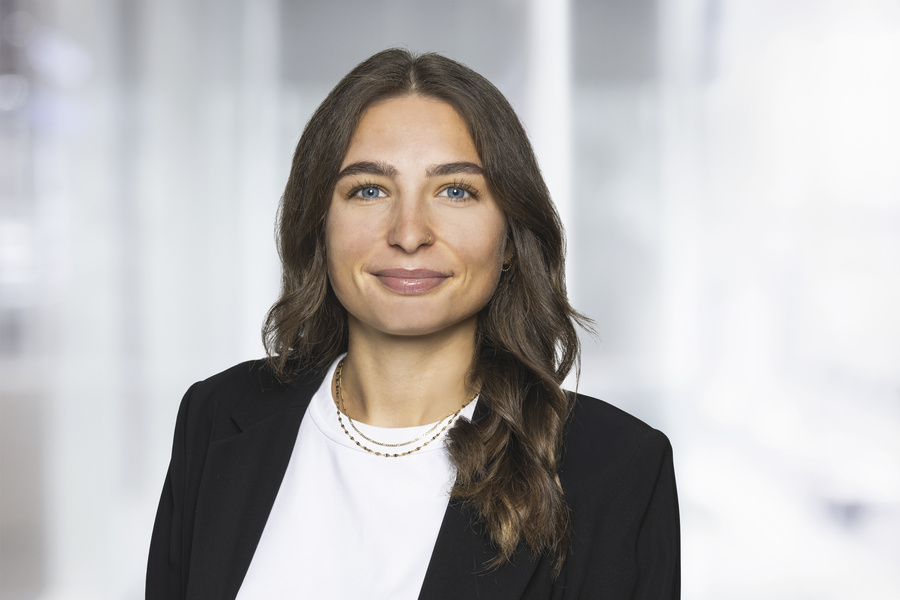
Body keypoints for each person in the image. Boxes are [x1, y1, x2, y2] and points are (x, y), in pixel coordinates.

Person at [146, 48, 679, 600]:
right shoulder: (216, 417)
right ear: (319, 224)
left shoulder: (616, 468)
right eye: (369, 190)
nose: (408, 233)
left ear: (510, 239)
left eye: (455, 191)